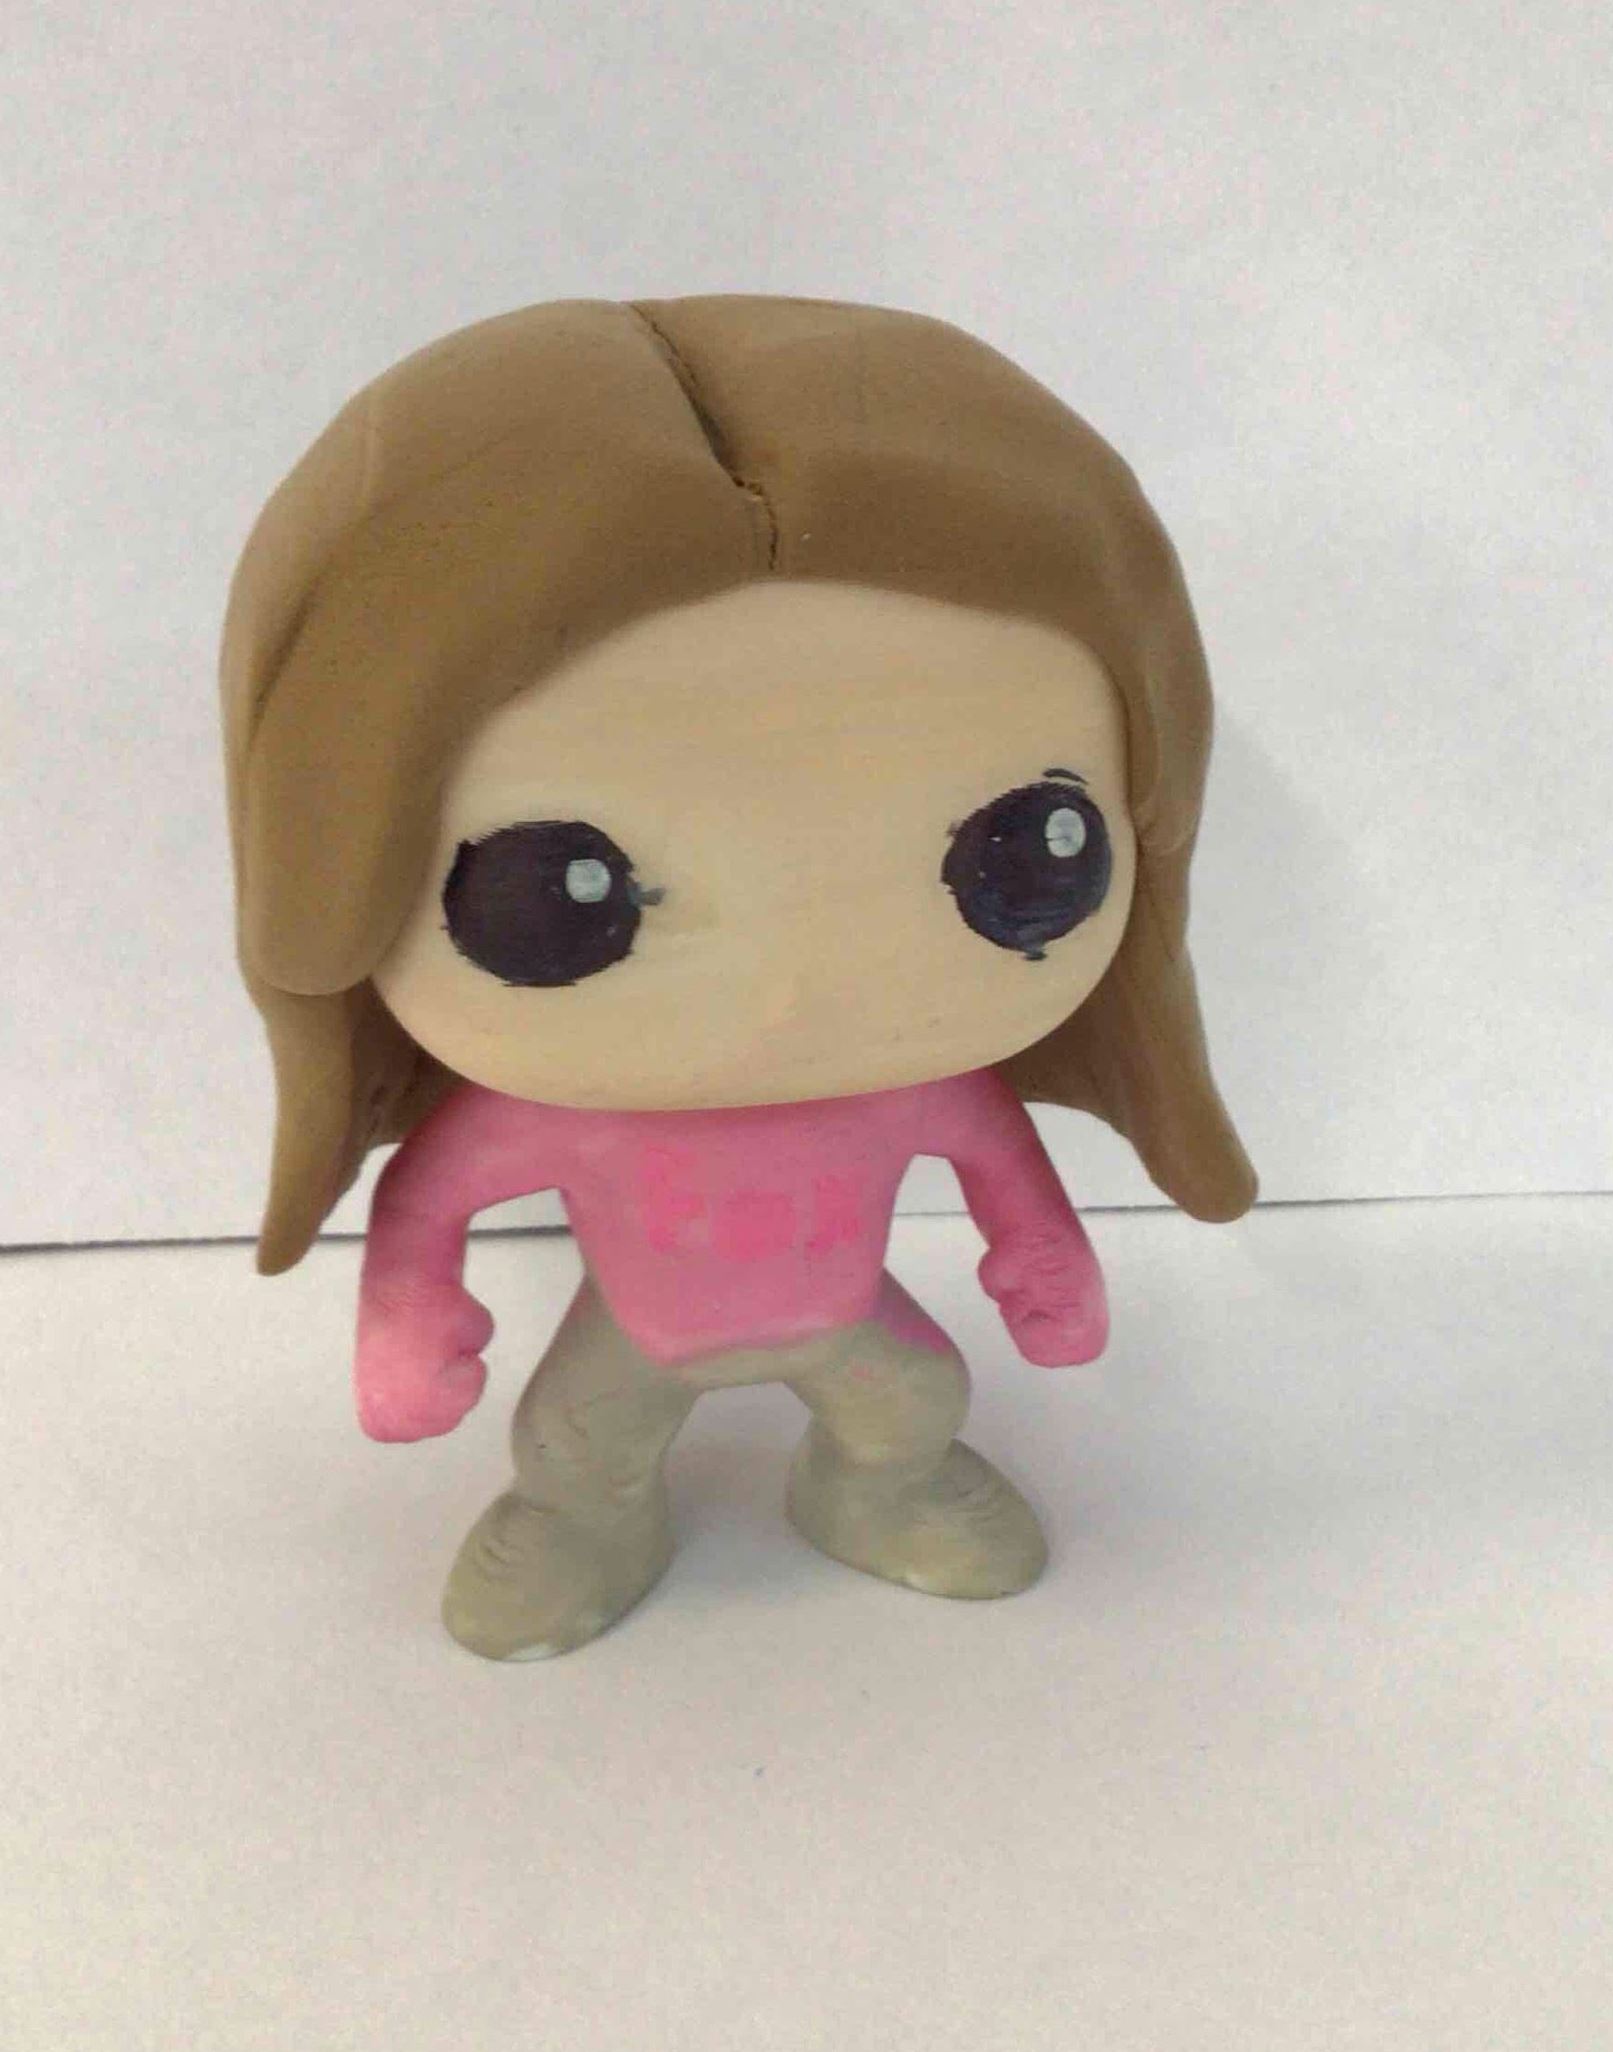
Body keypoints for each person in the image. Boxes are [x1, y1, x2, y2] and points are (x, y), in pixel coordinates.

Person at [220, 295, 1254, 1660]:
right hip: (641, 1331)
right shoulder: (556, 1115)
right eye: (560, 894)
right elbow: (430, 1199)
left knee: (914, 1405)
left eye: (1024, 852)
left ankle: (873, 1490)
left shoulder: (911, 1085)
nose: (783, 992)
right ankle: (585, 1524)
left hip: (844, 1316)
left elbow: (998, 1164)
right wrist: (408, 1315)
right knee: (575, 1444)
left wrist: (1040, 1247)